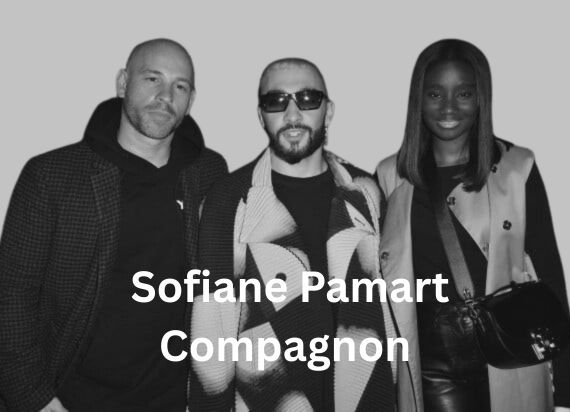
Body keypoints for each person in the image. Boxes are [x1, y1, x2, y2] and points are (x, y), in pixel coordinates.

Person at [0, 38, 228, 411]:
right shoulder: (51, 176)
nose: (165, 96)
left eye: (180, 86)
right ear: (123, 83)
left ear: (191, 100)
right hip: (71, 399)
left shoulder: (209, 172)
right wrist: (35, 399)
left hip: (175, 399)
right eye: (152, 79)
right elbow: (12, 295)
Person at [375, 38, 570, 412]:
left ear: (481, 98)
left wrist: (567, 386)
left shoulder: (517, 168)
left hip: (511, 350)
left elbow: (549, 271)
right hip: (432, 365)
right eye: (435, 94)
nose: (449, 107)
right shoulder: (391, 176)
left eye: (464, 93)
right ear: (418, 100)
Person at [189, 58, 397, 411]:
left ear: (329, 111)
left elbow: (390, 311)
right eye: (276, 101)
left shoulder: (366, 193)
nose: (292, 113)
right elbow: (212, 332)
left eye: (307, 98)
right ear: (261, 116)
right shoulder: (228, 200)